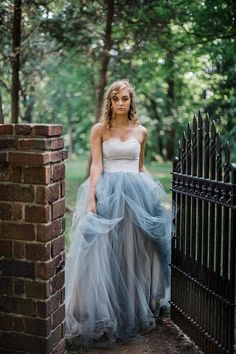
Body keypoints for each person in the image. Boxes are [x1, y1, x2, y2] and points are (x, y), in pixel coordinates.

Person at [65, 79, 176, 349]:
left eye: (124, 98)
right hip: (109, 193)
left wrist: (155, 197)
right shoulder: (100, 130)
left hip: (137, 195)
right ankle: (108, 313)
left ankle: (133, 308)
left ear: (131, 101)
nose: (120, 103)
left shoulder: (142, 132)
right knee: (107, 252)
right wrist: (91, 197)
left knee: (133, 252)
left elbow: (140, 168)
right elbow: (96, 166)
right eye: (115, 99)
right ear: (110, 102)